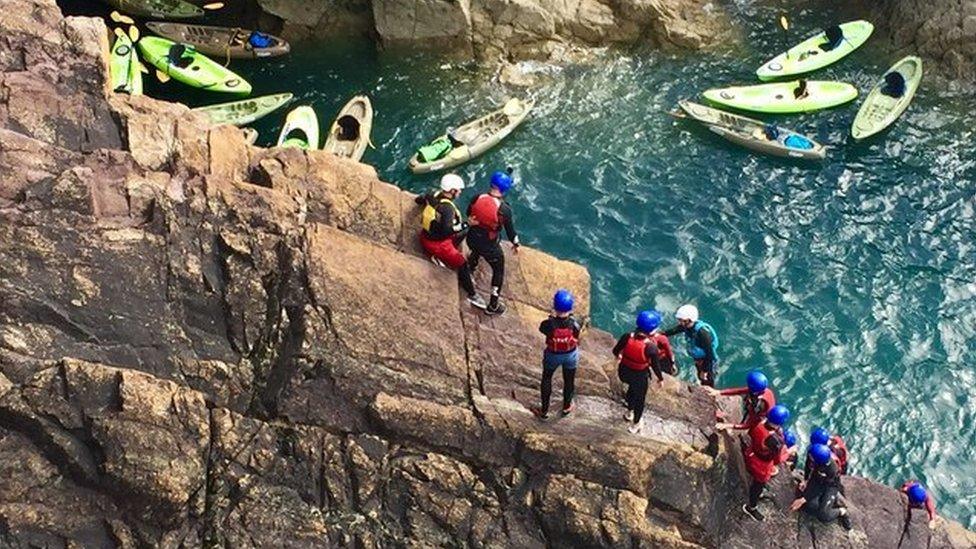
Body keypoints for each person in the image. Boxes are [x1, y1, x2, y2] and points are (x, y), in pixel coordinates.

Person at [416, 174, 486, 310]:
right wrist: (467, 224)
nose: (460, 192)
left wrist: (418, 202)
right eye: (458, 190)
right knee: (462, 264)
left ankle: (442, 253)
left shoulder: (434, 195)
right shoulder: (447, 209)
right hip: (437, 244)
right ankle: (473, 295)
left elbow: (421, 199)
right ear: (452, 191)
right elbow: (447, 231)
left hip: (427, 236)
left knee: (464, 232)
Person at [466, 169, 520, 315]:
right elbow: (510, 231)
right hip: (489, 246)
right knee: (498, 269)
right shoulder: (504, 209)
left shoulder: (477, 197)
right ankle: (493, 305)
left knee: (476, 250)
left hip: (471, 239)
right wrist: (516, 243)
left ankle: (470, 267)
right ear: (505, 189)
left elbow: (468, 213)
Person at [612, 311, 666, 434]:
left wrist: (620, 356)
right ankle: (635, 424)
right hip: (639, 376)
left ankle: (629, 412)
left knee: (631, 390)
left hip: (624, 372)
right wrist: (660, 378)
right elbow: (655, 365)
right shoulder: (651, 347)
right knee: (640, 400)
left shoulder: (627, 337)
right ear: (652, 330)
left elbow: (616, 350)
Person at [533, 289, 583, 419]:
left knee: (547, 378)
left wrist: (551, 319)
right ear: (570, 307)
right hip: (570, 355)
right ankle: (567, 406)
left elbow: (541, 329)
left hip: (553, 355)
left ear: (554, 306)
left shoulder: (548, 324)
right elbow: (577, 336)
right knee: (569, 380)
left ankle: (544, 410)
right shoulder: (575, 324)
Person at [741, 404, 790, 522]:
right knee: (758, 485)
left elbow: (751, 433)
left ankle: (756, 494)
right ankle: (751, 508)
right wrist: (788, 452)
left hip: (751, 453)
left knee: (754, 476)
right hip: (762, 466)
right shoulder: (775, 441)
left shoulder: (759, 423)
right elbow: (778, 460)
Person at [791, 443, 852, 530]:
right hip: (818, 481)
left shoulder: (831, 469)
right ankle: (826, 502)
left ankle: (842, 511)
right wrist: (805, 481)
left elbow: (821, 486)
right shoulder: (816, 459)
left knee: (824, 515)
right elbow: (811, 471)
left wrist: (803, 499)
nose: (810, 457)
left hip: (830, 486)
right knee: (810, 506)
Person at [661, 304, 719, 386]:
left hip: (707, 361)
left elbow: (710, 354)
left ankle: (709, 392)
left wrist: (705, 370)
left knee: (706, 379)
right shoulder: (687, 326)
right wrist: (661, 334)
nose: (680, 322)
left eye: (682, 320)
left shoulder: (702, 333)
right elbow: (675, 330)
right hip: (699, 358)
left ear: (689, 320)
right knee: (700, 376)